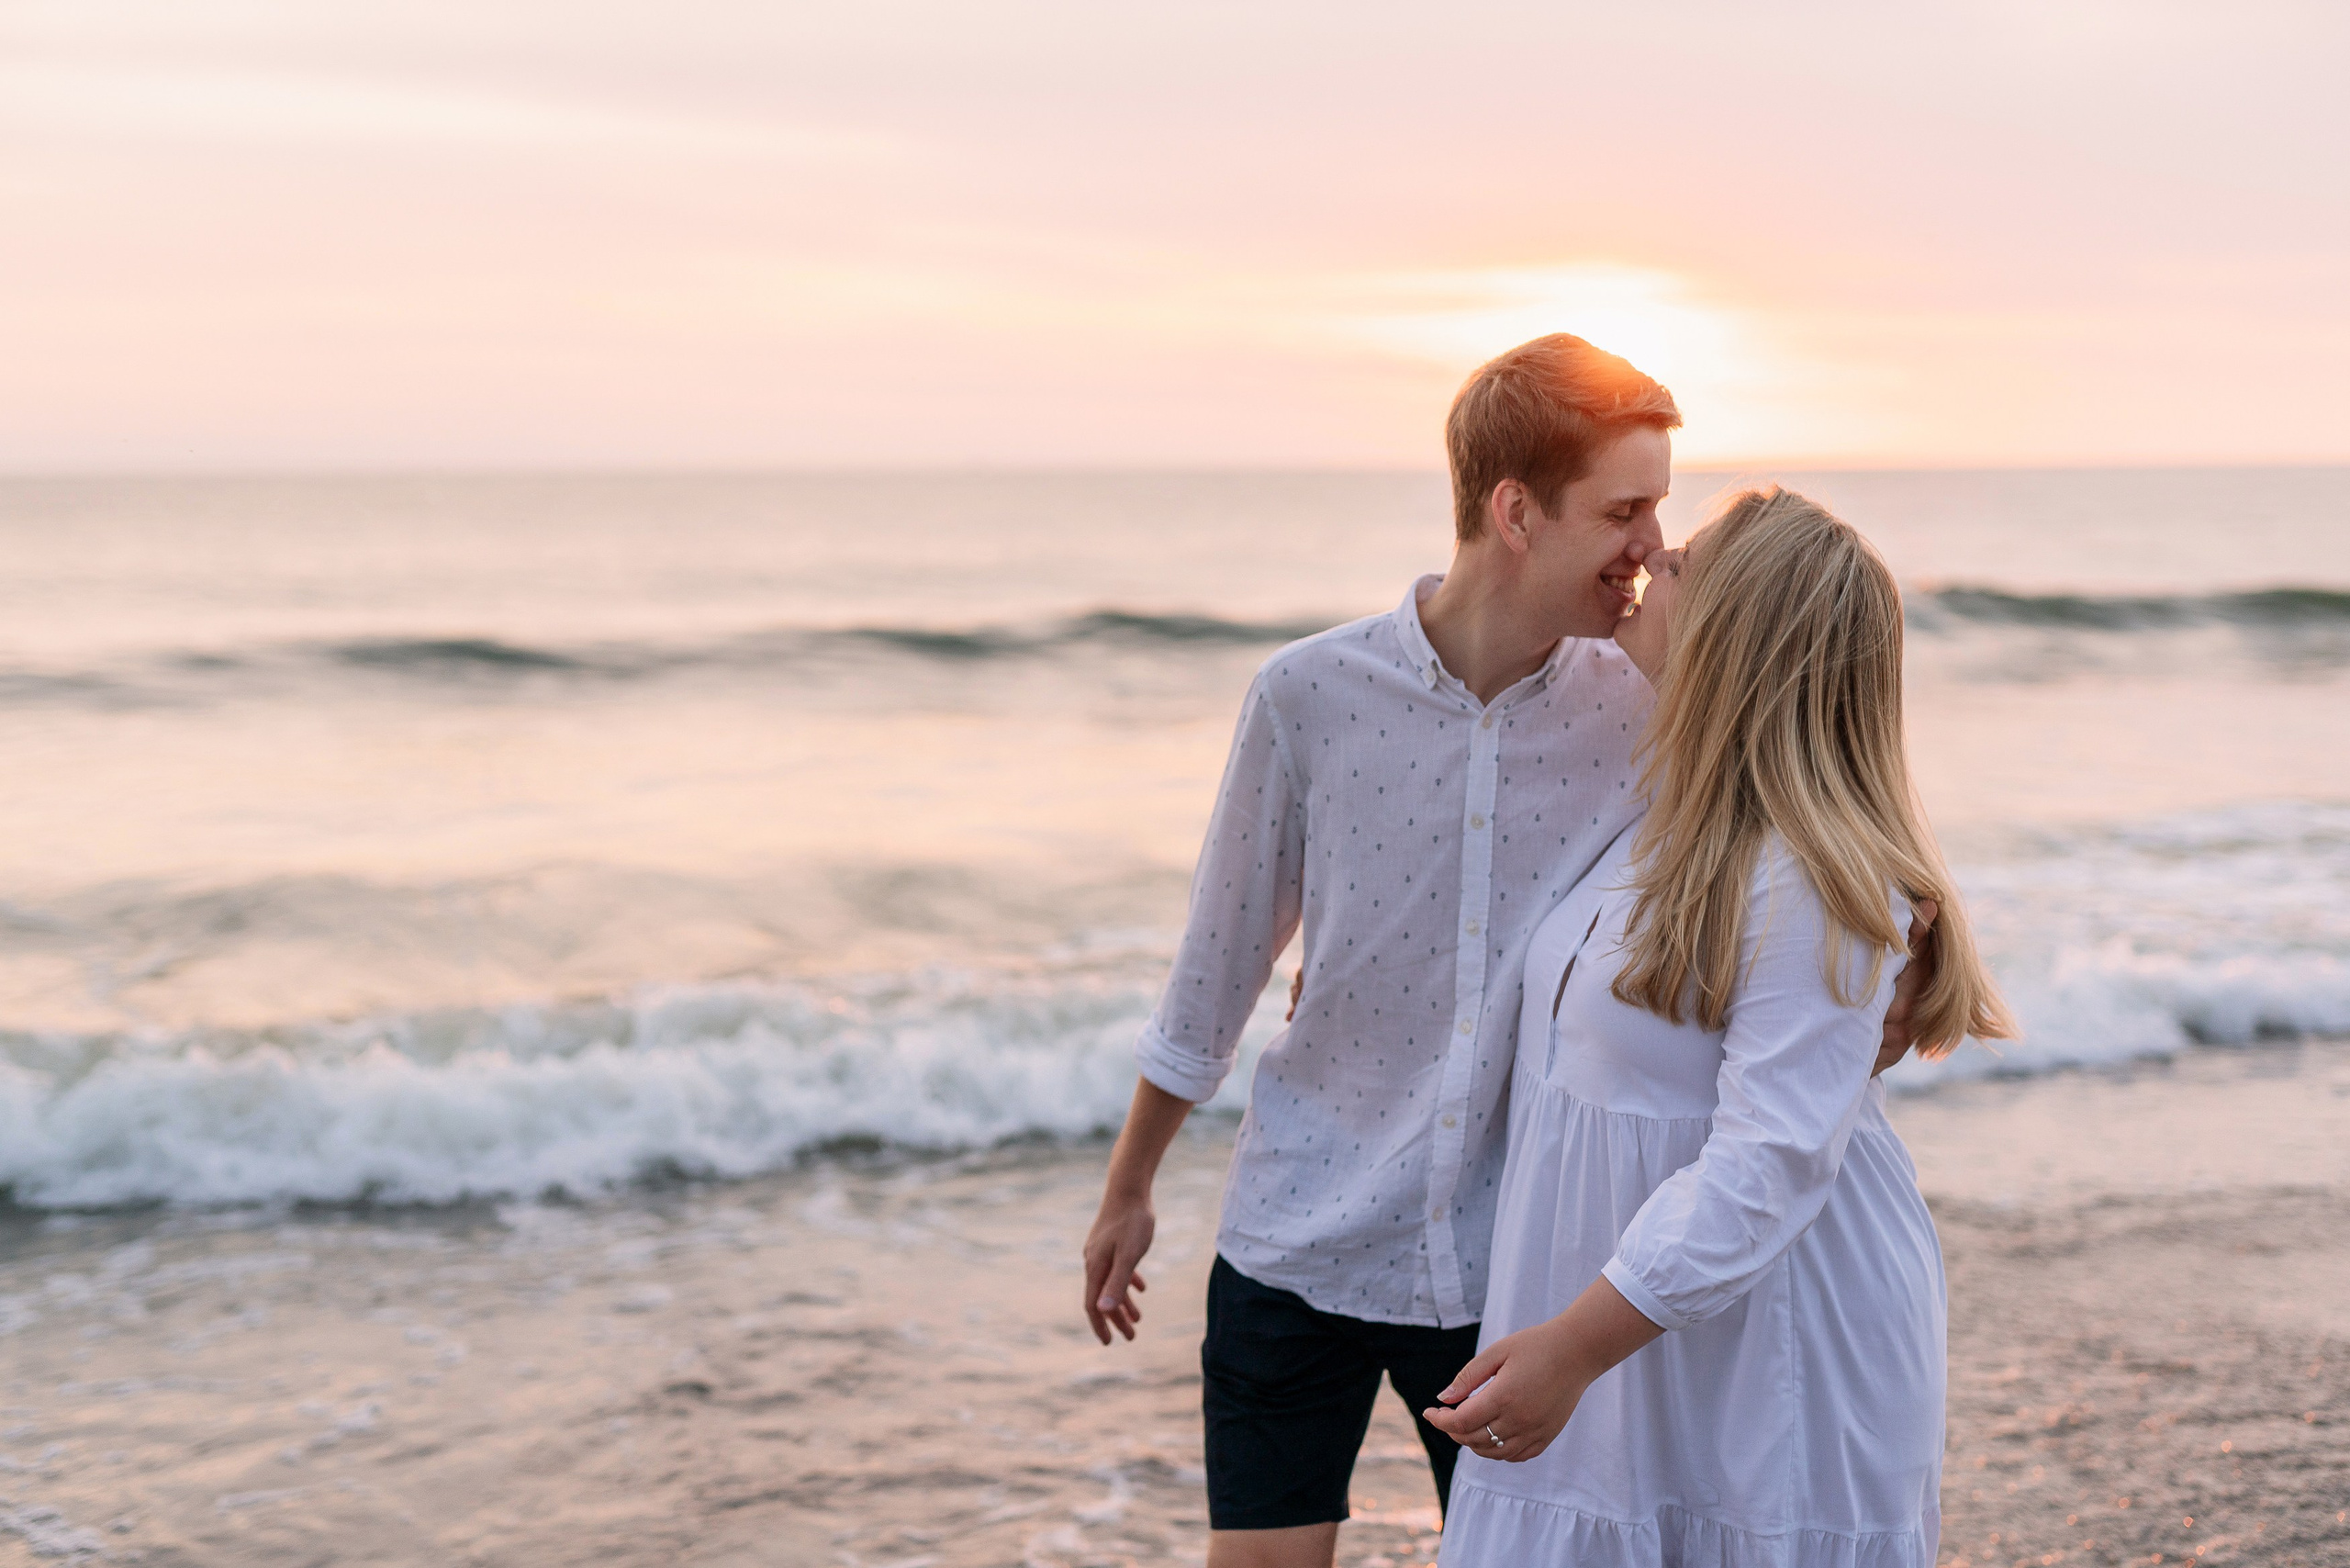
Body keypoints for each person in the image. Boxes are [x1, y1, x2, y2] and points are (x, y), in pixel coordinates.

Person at [1080, 338, 1935, 1568]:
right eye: (1626, 511)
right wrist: (1129, 1188)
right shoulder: (1309, 696)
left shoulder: (1654, 703)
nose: (1649, 548)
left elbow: (1811, 774)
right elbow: (1214, 974)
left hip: (1512, 1263)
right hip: (1298, 1228)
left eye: (1663, 517)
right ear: (1515, 511)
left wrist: (1904, 951)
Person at [1423, 487, 2015, 1565]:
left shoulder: (1810, 875)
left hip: (1765, 1339)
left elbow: (1769, 1162)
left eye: (1686, 557)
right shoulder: (1653, 811)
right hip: (1616, 1328)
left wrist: (1571, 1346)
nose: (1654, 554)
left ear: (1734, 630)